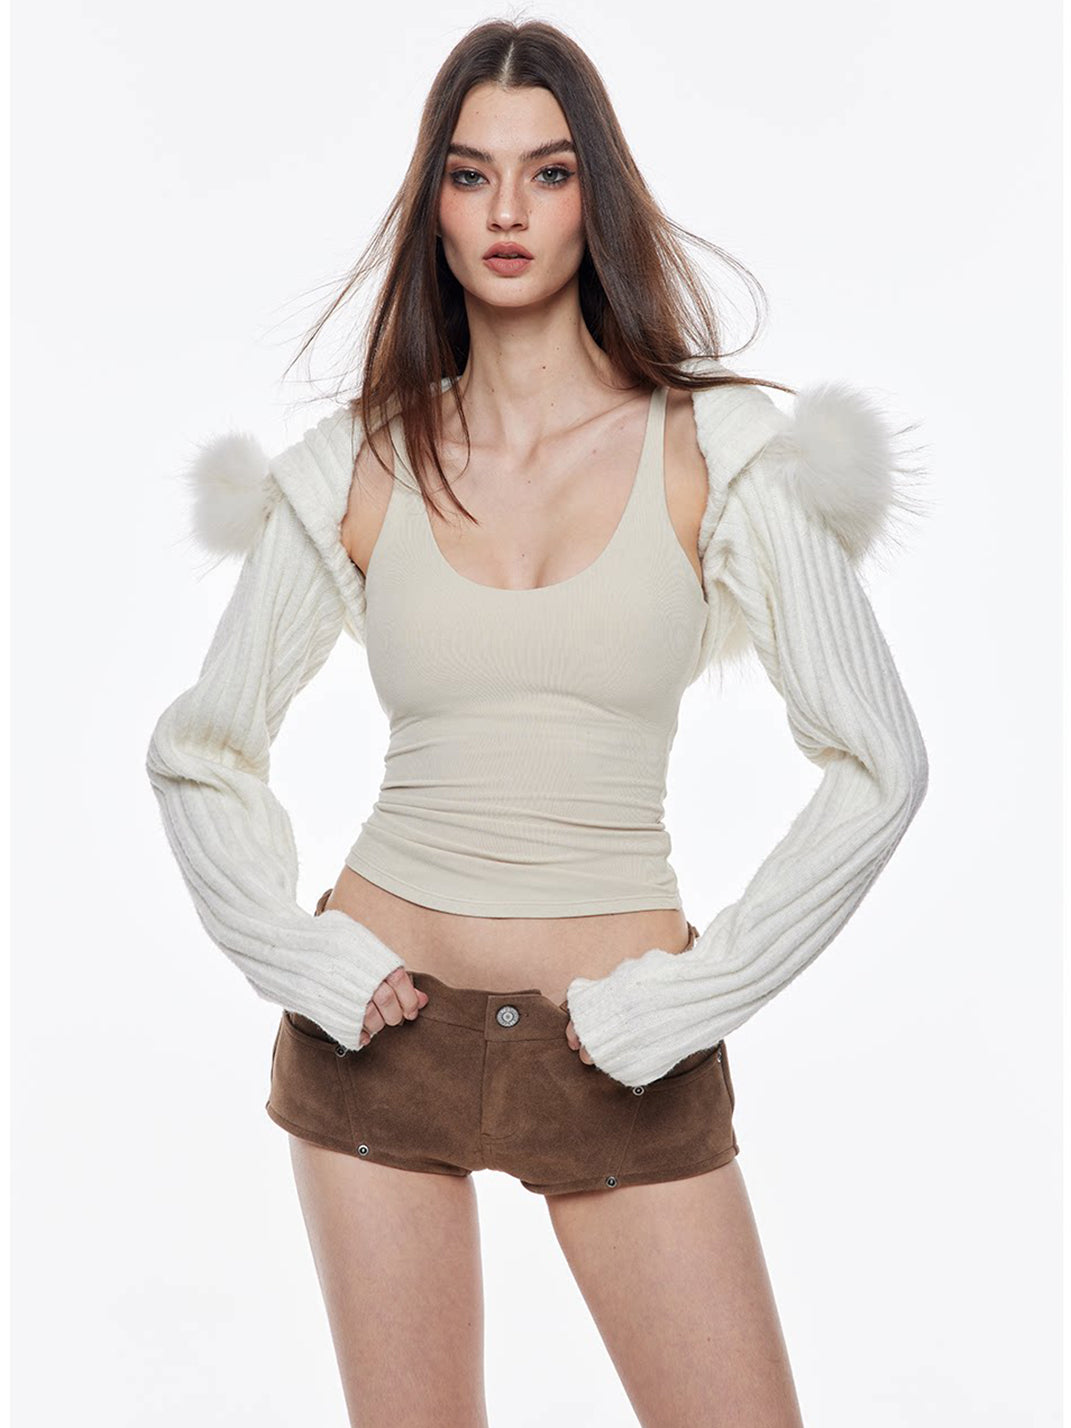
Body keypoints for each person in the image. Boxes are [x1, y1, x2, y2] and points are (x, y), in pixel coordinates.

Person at [146, 18, 929, 1428]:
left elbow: (881, 763)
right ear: (434, 205)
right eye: (471, 174)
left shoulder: (719, 455)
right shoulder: (359, 461)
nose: (507, 210)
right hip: (379, 1039)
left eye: (549, 172)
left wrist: (685, 1000)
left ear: (594, 197)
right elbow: (202, 748)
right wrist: (303, 955)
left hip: (617, 1049)